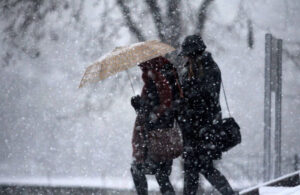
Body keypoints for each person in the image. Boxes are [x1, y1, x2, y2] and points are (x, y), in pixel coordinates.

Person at [177, 35, 237, 195]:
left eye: (188, 55)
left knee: (202, 167)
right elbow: (185, 97)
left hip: (204, 128)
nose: (185, 58)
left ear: (194, 53)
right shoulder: (188, 71)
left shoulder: (210, 69)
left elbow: (208, 100)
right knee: (193, 169)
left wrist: (189, 99)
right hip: (191, 129)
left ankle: (229, 193)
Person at [130, 56, 181, 195]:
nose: (141, 69)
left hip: (156, 136)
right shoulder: (159, 77)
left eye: (142, 66)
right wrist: (140, 106)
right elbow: (157, 106)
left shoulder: (157, 78)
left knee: (139, 169)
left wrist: (144, 108)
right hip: (162, 135)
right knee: (161, 175)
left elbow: (162, 106)